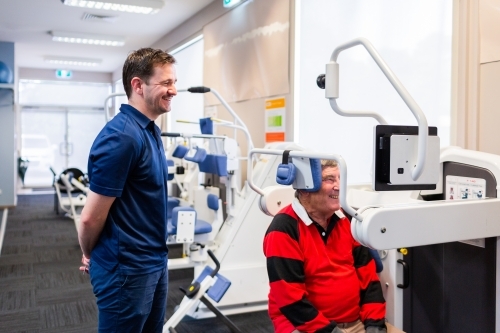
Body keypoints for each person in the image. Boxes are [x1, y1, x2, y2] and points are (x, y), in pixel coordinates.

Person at [77, 48, 177, 333]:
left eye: (174, 82)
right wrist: (89, 252)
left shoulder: (150, 130)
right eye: (166, 83)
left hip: (153, 261)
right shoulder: (121, 137)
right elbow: (89, 218)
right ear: (137, 85)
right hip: (127, 270)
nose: (174, 91)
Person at [263, 160, 404, 333]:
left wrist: (374, 324)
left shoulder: (348, 220)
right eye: (329, 179)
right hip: (302, 325)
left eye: (340, 178)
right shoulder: (284, 228)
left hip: (355, 323)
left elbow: (369, 281)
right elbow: (291, 301)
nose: (339, 186)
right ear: (304, 189)